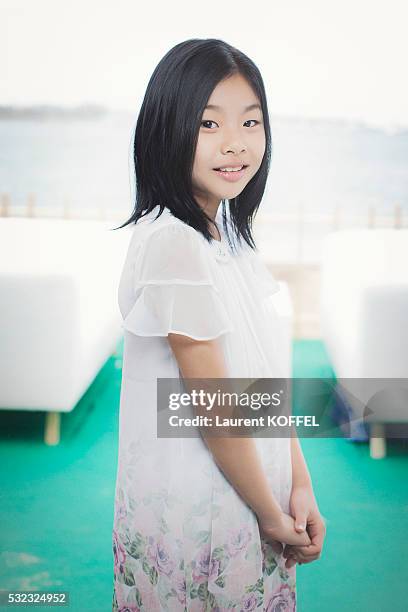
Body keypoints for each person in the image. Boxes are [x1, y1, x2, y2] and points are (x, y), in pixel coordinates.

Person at [111, 38, 326, 611]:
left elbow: (259, 385)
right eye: (209, 124)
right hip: (201, 516)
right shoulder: (173, 243)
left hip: (252, 498)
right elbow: (216, 406)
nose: (236, 143)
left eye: (251, 122)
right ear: (167, 129)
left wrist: (298, 484)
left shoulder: (224, 239)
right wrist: (269, 512)